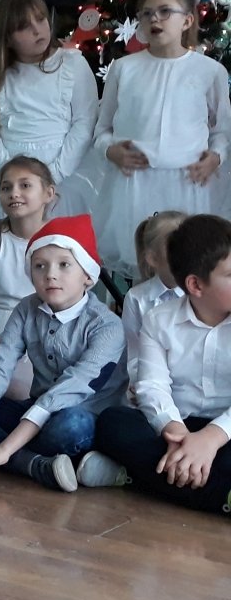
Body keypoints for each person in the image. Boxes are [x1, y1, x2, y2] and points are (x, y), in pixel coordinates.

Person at [0, 215, 127, 492]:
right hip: (33, 412)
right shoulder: (27, 309)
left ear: (87, 275)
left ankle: (5, 453)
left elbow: (66, 393)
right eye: (39, 266)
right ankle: (34, 463)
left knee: (72, 425)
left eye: (64, 265)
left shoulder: (107, 326)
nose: (50, 274)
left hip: (80, 418)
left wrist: (2, 450)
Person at [91, 215, 231, 515]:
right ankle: (223, 494)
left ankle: (140, 479)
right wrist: (178, 434)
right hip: (175, 428)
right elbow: (152, 386)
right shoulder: (159, 319)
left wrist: (209, 440)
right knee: (113, 424)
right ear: (196, 284)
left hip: (226, 431)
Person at [93, 0, 231, 279]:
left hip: (188, 184)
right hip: (134, 185)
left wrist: (216, 157)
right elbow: (101, 129)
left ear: (187, 20)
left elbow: (222, 131)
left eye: (165, 11)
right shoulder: (124, 68)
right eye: (146, 13)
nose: (154, 19)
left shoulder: (210, 72)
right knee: (143, 265)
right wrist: (111, 151)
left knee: (188, 266)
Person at [0, 0, 99, 232]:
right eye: (24, 27)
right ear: (7, 39)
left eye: (41, 19)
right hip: (8, 170)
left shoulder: (72, 64)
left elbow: (85, 122)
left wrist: (52, 175)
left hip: (61, 172)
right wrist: (11, 175)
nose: (37, 30)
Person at [0, 155, 57, 398]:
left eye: (25, 185)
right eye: (6, 188)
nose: (14, 193)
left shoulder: (61, 242)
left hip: (44, 330)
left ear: (48, 193)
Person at [122, 210, 187, 386]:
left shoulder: (202, 294)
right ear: (152, 258)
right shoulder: (137, 298)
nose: (186, 252)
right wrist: (141, 384)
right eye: (174, 246)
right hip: (151, 385)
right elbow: (133, 354)